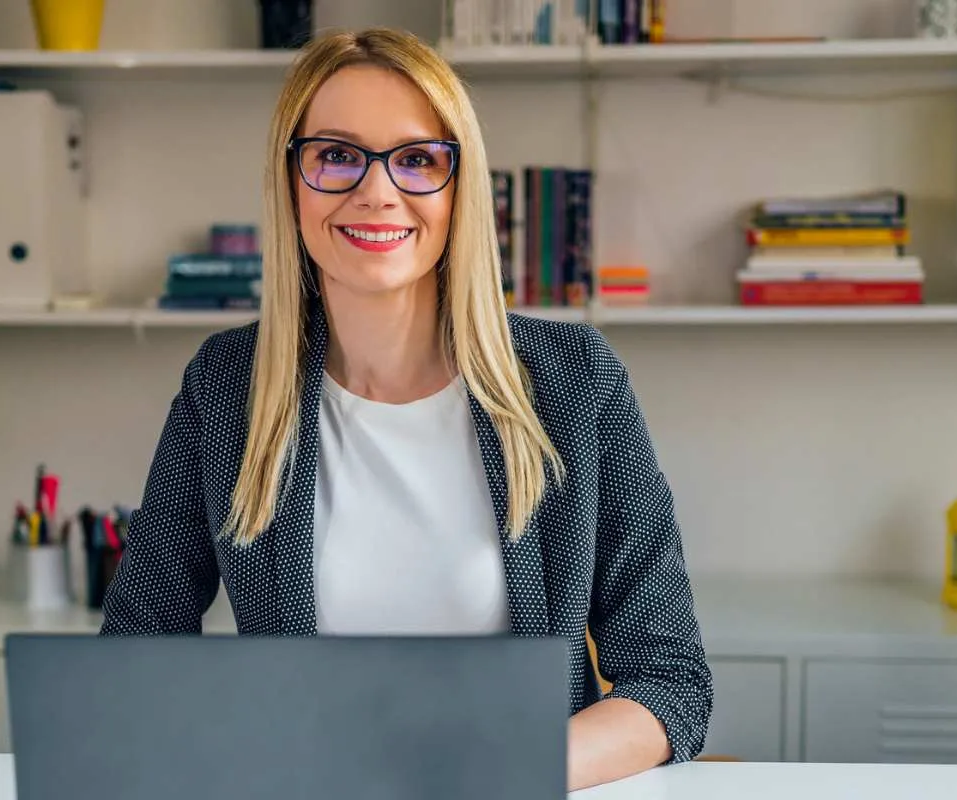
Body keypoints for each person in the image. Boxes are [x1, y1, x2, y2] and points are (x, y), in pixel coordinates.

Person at [99, 27, 712, 791]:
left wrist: (494, 774)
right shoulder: (227, 385)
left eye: (418, 159)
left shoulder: (575, 384)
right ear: (291, 181)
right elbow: (138, 649)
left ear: (460, 189)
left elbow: (669, 681)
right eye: (337, 154)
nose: (377, 191)